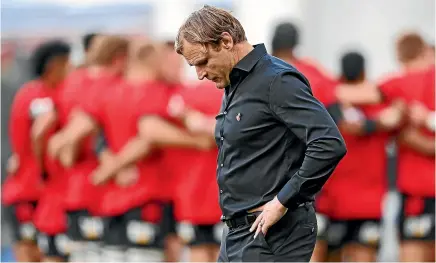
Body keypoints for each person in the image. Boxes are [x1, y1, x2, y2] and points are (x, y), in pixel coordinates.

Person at [175, 5, 347, 262]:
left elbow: (328, 143)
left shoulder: (276, 80)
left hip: (273, 232)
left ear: (226, 41)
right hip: (237, 232)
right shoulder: (235, 82)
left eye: (203, 62)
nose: (199, 74)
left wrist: (282, 201)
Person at [46, 35, 129, 262]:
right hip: (102, 189)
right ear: (121, 59)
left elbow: (56, 135)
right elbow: (84, 131)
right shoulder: (110, 85)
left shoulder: (73, 81)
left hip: (72, 187)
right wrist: (110, 162)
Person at [319, 51, 406, 262]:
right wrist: (373, 124)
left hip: (336, 200)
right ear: (365, 72)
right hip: (363, 201)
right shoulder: (381, 104)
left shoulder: (326, 99)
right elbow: (394, 117)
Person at [270, 22, 338, 262]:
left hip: (269, 175)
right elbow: (337, 102)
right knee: (309, 242)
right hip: (308, 172)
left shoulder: (261, 72)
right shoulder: (312, 72)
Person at [2, 40, 71, 262]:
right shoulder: (41, 97)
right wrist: (43, 170)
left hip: (32, 190)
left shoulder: (30, 91)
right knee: (34, 253)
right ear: (55, 65)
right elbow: (38, 133)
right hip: (31, 191)